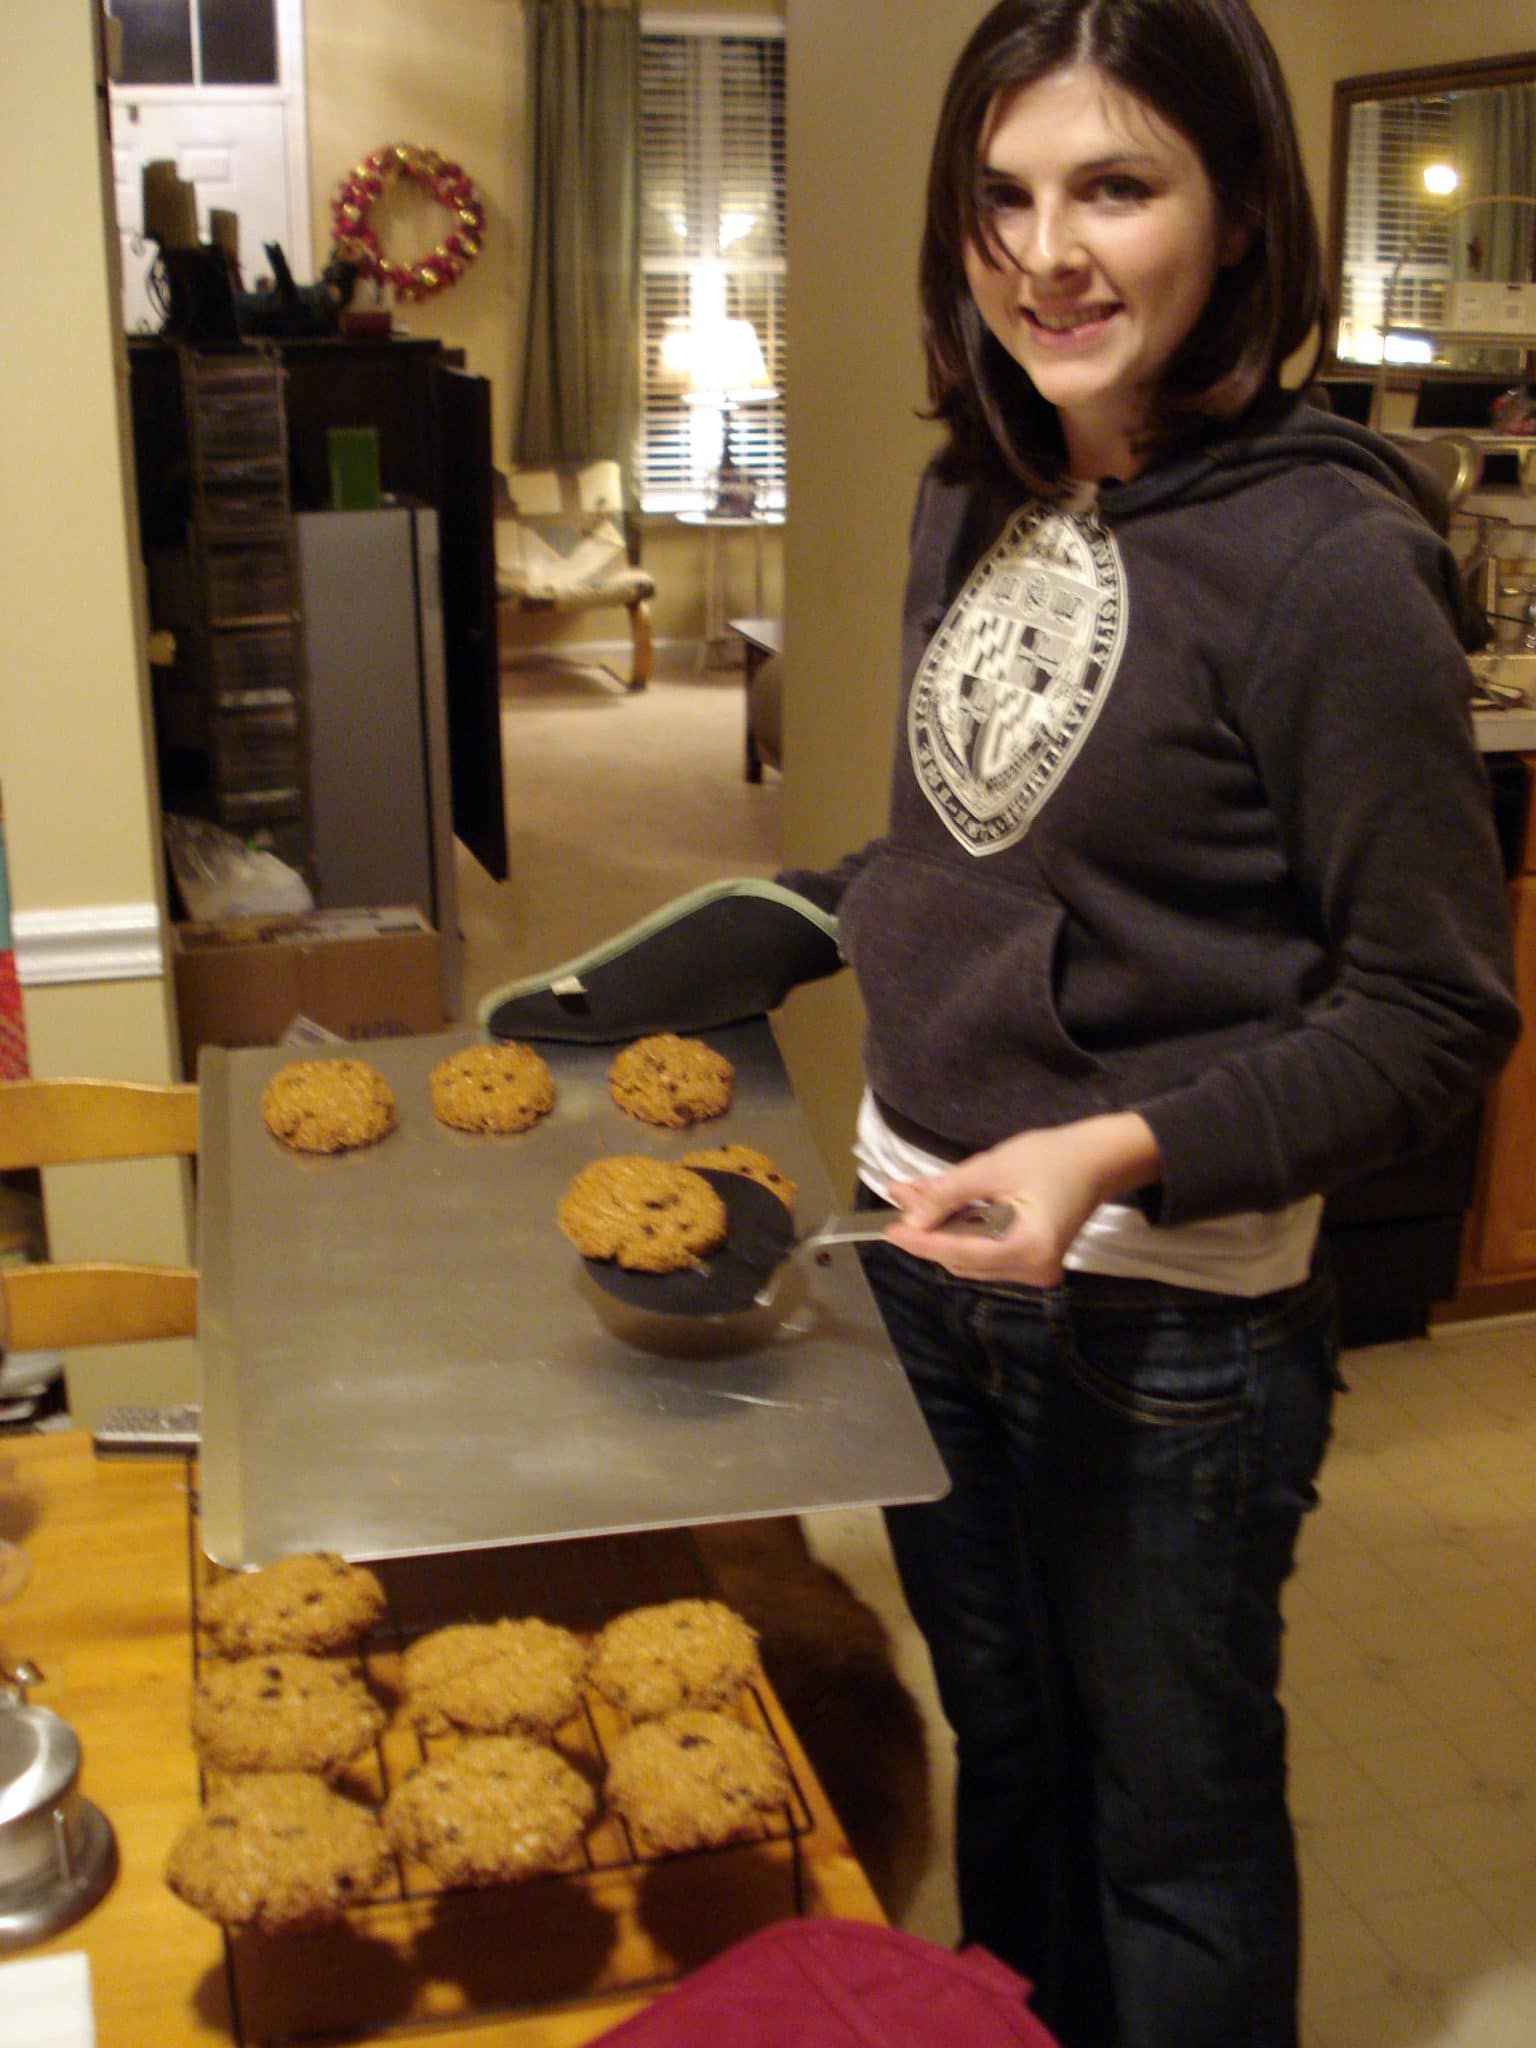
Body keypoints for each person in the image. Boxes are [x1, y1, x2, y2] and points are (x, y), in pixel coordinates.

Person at [767, 3, 1521, 2045]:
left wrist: (1110, 1150)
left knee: (1171, 1829)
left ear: (1241, 210)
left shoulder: (1330, 562)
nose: (1048, 252)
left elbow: (1438, 1008)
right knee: (1006, 1756)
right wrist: (786, 918)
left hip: (1158, 1318)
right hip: (922, 1262)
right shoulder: (972, 494)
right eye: (1003, 196)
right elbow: (996, 846)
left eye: (1118, 184)